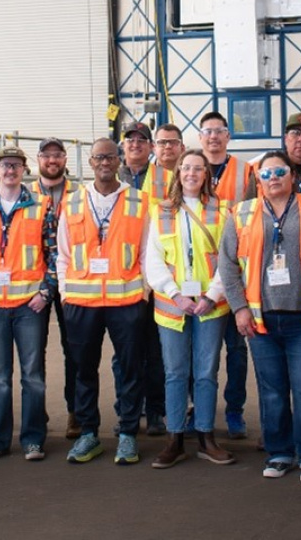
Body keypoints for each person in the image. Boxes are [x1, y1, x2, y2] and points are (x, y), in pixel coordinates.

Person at [219, 150, 301, 484]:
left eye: (280, 172)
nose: (273, 179)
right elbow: (228, 264)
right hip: (261, 317)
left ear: (292, 176)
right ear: (258, 180)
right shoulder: (241, 213)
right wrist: (239, 307)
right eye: (266, 174)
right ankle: (279, 452)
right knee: (272, 391)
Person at [59, 137, 150, 465]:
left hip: (126, 302)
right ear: (91, 162)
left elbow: (146, 250)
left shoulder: (139, 201)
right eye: (99, 157)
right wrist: (65, 293)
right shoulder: (72, 202)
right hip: (81, 303)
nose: (105, 163)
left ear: (119, 159)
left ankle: (127, 433)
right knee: (84, 369)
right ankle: (88, 434)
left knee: (129, 368)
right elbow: (63, 252)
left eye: (111, 157)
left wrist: (143, 292)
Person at [143, 148, 234, 468]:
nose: (192, 173)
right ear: (178, 174)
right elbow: (152, 259)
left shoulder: (221, 211)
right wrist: (175, 293)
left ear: (207, 174)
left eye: (199, 168)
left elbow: (228, 258)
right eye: (186, 168)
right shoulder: (161, 211)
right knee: (175, 373)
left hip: (211, 305)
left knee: (207, 372)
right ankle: (175, 438)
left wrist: (211, 294)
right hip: (172, 306)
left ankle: (206, 436)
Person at [0, 146, 56, 462]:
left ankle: (33, 439)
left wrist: (45, 293)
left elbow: (54, 253)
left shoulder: (41, 206)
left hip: (29, 306)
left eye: (16, 165)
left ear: (24, 170)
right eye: (5, 165)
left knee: (32, 376)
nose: (10, 170)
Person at [198, 110, 255, 440]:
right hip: (198, 278)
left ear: (228, 136)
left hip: (236, 276)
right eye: (208, 131)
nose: (213, 137)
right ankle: (198, 408)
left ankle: (235, 411)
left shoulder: (246, 171)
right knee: (202, 353)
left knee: (236, 350)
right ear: (201, 136)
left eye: (219, 131)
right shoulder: (189, 168)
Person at [120, 121, 171, 436]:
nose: (136, 144)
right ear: (122, 146)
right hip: (122, 279)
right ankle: (127, 409)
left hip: (159, 275)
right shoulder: (110, 178)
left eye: (142, 140)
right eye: (130, 140)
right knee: (125, 353)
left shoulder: (168, 179)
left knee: (156, 351)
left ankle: (156, 412)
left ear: (151, 147)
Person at [35, 138, 80, 439]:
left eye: (58, 155)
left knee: (74, 351)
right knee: (33, 354)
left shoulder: (80, 195)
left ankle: (75, 413)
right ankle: (36, 415)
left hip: (70, 283)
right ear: (37, 159)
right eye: (47, 155)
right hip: (34, 285)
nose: (53, 160)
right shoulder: (24, 195)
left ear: (65, 159)